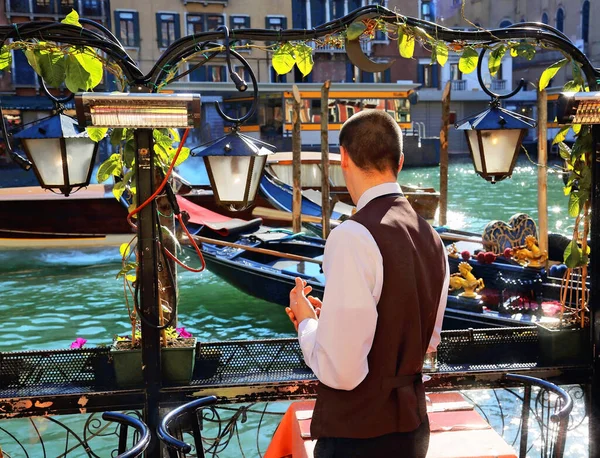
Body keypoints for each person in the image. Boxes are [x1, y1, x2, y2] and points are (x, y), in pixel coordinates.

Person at [286, 110, 449, 458]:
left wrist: (308, 322)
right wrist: (329, 320)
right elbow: (427, 340)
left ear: (343, 158)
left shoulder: (351, 235)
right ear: (400, 161)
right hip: (414, 429)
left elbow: (342, 371)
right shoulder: (433, 238)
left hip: (359, 435)